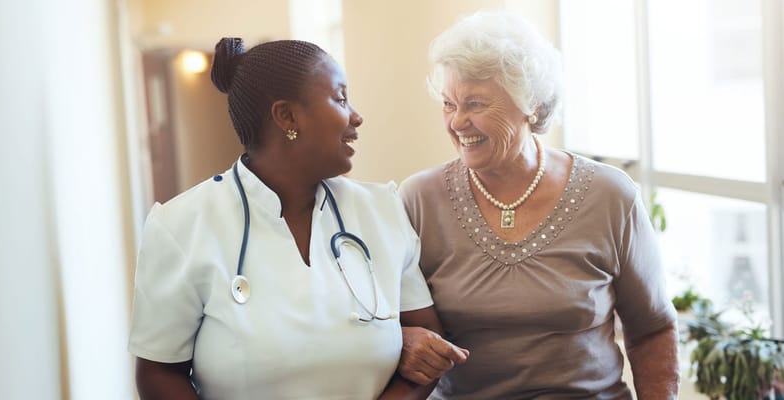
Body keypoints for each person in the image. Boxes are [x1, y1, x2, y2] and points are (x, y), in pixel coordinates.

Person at [128, 37, 467, 400]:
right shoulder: (182, 226)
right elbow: (158, 373)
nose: (356, 116)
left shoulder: (380, 210)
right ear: (287, 116)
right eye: (340, 98)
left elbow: (428, 347)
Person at [397, 12, 680, 399]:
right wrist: (404, 338)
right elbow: (386, 324)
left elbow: (653, 328)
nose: (458, 122)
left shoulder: (610, 195)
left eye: (476, 104)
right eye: (448, 104)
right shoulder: (418, 200)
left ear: (530, 103)